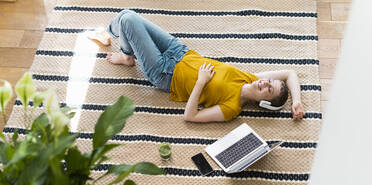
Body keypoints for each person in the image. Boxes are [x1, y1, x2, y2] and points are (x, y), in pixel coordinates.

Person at [88, 9, 305, 123]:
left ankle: (125, 51)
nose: (265, 82)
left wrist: (201, 83)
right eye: (270, 82)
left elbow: (190, 116)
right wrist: (297, 101)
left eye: (269, 89)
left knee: (127, 21)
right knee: (128, 14)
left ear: (264, 104)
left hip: (165, 73)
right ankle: (126, 53)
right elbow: (290, 73)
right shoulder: (250, 77)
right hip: (179, 51)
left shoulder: (232, 108)